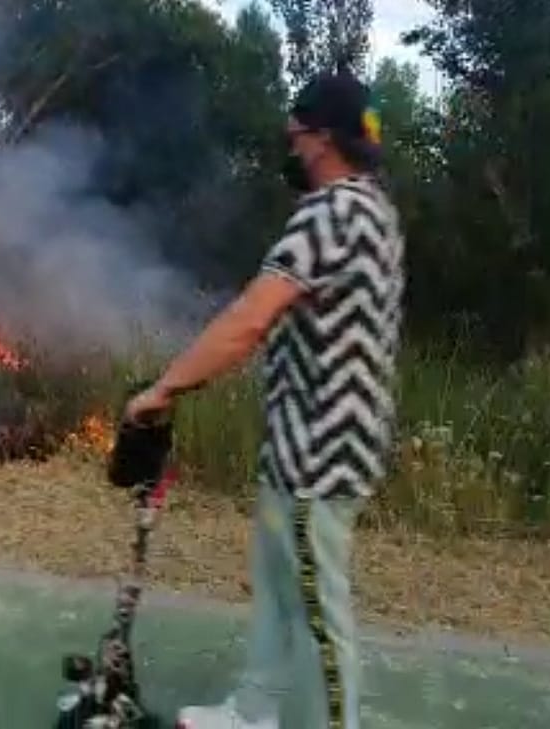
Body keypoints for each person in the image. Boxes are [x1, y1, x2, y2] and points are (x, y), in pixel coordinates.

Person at [124, 70, 406, 729]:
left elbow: (250, 320)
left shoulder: (331, 213)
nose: (291, 144)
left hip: (320, 460)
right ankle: (255, 711)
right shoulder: (372, 209)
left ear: (324, 139)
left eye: (297, 133)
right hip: (300, 449)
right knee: (279, 591)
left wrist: (164, 388)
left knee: (316, 608)